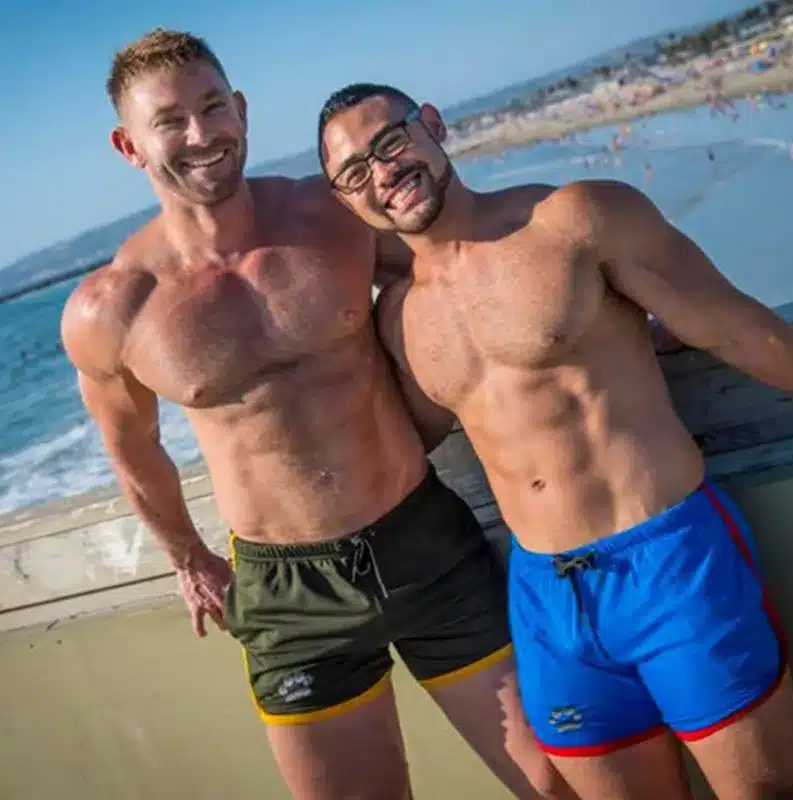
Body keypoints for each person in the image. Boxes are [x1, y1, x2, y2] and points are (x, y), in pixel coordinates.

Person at [60, 30, 573, 800]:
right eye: (170, 122)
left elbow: (463, 270)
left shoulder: (333, 216)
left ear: (241, 110)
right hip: (286, 598)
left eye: (213, 108)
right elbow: (131, 448)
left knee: (556, 785)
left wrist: (619, 310)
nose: (201, 135)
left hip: (423, 541)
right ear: (129, 146)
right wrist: (188, 557)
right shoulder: (111, 308)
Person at [317, 82, 793, 800]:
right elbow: (398, 447)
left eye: (390, 142)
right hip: (547, 599)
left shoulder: (576, 218)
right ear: (346, 201)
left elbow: (736, 329)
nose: (383, 172)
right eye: (355, 172)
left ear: (432, 124)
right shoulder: (398, 320)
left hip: (669, 559)